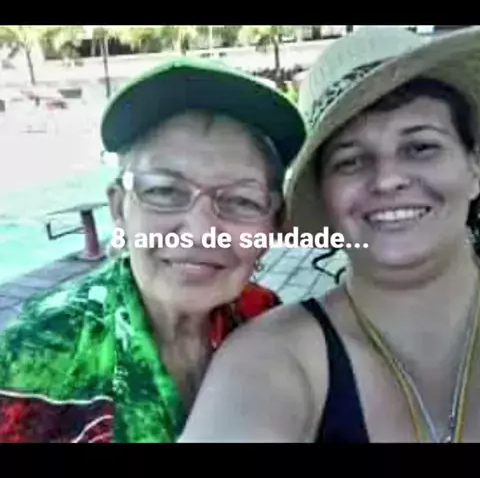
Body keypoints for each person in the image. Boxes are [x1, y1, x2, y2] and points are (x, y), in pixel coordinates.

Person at [179, 26, 480, 443]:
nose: (388, 179)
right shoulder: (272, 359)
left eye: (420, 148)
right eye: (351, 160)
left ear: (474, 168)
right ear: (324, 196)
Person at [0, 57, 306, 443]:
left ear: (274, 224)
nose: (200, 233)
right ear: (119, 209)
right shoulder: (33, 353)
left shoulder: (264, 317)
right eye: (164, 191)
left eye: (242, 200)